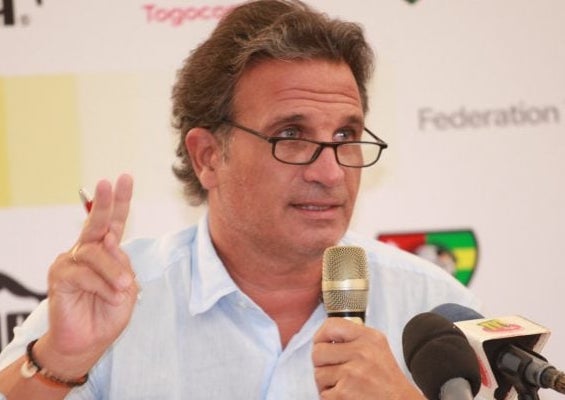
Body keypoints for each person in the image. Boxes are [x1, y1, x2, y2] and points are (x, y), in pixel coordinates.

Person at [0, 0, 480, 398]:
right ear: (208, 156)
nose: (331, 172)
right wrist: (60, 362)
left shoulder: (433, 309)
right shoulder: (116, 300)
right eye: (291, 135)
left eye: (345, 136)